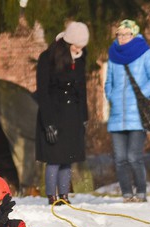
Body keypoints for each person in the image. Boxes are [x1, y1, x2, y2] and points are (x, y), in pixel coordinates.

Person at [104, 19, 150, 203]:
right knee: (120, 159)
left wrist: (141, 94)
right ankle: (127, 194)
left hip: (138, 115)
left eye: (125, 34)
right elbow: (108, 82)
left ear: (134, 34)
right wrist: (111, 95)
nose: (121, 38)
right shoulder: (113, 55)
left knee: (133, 157)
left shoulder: (145, 53)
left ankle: (142, 193)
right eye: (119, 34)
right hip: (116, 117)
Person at [35, 21, 89, 206]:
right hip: (53, 113)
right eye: (76, 46)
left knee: (68, 157)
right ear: (67, 42)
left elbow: (82, 89)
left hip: (72, 115)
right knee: (54, 158)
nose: (78, 49)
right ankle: (51, 196)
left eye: (82, 46)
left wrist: (84, 117)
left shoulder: (81, 58)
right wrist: (48, 122)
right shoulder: (48, 58)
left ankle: (64, 195)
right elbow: (43, 91)